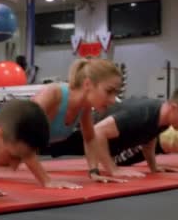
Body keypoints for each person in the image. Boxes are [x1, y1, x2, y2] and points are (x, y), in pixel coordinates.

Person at [47, 86, 178, 178]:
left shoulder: (164, 118)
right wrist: (112, 169)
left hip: (95, 141)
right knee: (33, 146)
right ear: (174, 108)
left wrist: (153, 167)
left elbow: (148, 139)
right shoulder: (143, 113)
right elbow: (98, 131)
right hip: (75, 133)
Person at [28, 58, 123, 188]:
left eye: (115, 93)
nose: (113, 100)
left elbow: (89, 138)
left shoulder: (85, 106)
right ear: (88, 84)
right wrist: (46, 180)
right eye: (109, 91)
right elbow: (22, 136)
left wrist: (94, 171)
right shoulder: (53, 94)